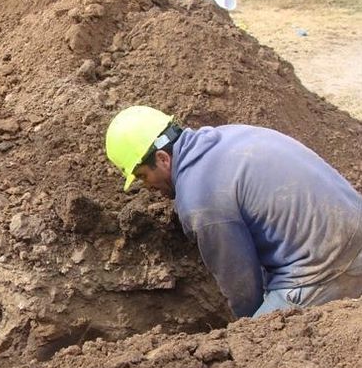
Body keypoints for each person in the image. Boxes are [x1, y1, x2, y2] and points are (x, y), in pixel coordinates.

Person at [104, 105, 362, 318]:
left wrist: (246, 332)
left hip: (325, 269)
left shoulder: (199, 199)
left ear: (162, 159)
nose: (146, 186)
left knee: (259, 351)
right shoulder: (228, 136)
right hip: (353, 233)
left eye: (142, 175)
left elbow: (241, 285)